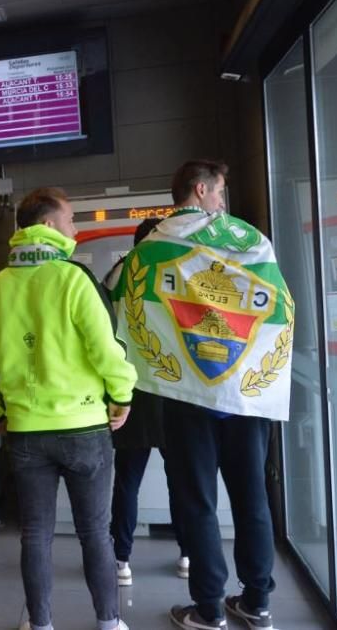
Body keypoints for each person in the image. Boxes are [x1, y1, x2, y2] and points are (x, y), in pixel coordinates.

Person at [111, 160, 294, 630]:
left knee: (198, 502)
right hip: (245, 399)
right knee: (253, 499)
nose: (221, 203)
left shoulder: (154, 246)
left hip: (187, 396)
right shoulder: (253, 242)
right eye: (219, 193)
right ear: (200, 188)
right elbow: (280, 308)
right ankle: (257, 602)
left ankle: (209, 609)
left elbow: (129, 314)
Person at [0, 187, 135, 630]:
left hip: (25, 432)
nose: (76, 229)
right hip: (84, 428)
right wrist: (122, 396)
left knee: (35, 534)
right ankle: (109, 623)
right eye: (71, 219)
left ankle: (40, 624)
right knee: (95, 533)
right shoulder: (74, 279)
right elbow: (107, 350)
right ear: (47, 226)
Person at [103, 218, 188, 586]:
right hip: (171, 392)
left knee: (127, 481)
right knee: (181, 480)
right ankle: (187, 553)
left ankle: (121, 560)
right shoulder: (176, 271)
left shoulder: (116, 274)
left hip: (130, 394)